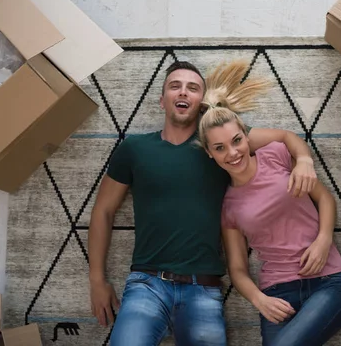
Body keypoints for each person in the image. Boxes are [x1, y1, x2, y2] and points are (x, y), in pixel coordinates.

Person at [87, 60, 319, 346]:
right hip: (147, 283)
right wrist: (97, 280)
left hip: (203, 288)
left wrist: (304, 160)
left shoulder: (219, 146)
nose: (183, 92)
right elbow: (103, 211)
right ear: (162, 100)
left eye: (192, 88)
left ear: (200, 102)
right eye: (175, 86)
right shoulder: (134, 149)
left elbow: (285, 137)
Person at [197, 60, 341, 346]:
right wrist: (260, 300)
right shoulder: (229, 206)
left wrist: (323, 239)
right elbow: (238, 269)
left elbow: (325, 199)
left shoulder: (276, 155)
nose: (232, 153)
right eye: (220, 148)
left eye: (236, 141)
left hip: (328, 282)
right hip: (277, 294)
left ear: (247, 136)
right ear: (209, 154)